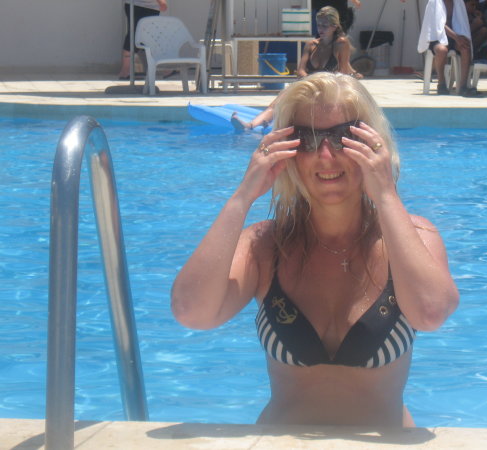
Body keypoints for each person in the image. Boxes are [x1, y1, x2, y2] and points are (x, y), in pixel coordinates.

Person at [171, 72, 459, 426]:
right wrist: (242, 197)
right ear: (286, 150)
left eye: (343, 137)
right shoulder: (265, 246)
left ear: (373, 142)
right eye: (305, 139)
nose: (325, 155)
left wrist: (386, 194)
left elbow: (431, 314)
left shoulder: (412, 237)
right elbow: (192, 312)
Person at [231, 6, 362, 132]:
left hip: (330, 89)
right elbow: (300, 71)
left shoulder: (341, 43)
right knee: (281, 97)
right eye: (318, 25)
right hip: (309, 86)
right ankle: (250, 125)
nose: (320, 29)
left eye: (324, 26)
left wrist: (324, 84)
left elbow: (343, 72)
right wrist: (311, 83)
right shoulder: (311, 45)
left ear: (334, 26)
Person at [418, 0, 479, 96]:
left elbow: (461, 22)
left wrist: (462, 37)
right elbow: (439, 25)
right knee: (442, 50)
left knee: (466, 47)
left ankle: (463, 86)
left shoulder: (458, 2)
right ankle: (441, 83)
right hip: (437, 36)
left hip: (454, 37)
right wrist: (457, 38)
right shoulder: (434, 2)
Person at [117, 0, 168, 80]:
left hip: (150, 6)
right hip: (140, 5)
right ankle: (125, 71)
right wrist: (161, 2)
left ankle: (139, 70)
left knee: (147, 38)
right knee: (134, 35)